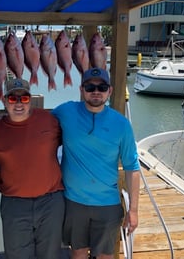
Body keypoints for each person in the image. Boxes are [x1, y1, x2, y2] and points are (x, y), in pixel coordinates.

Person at [52, 67, 140, 259]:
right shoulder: (65, 111)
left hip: (107, 203)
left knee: (106, 255)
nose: (96, 91)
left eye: (102, 87)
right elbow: (37, 122)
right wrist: (2, 118)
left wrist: (133, 210)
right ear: (81, 90)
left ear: (110, 90)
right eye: (90, 87)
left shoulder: (121, 124)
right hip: (73, 202)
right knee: (78, 252)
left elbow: (132, 168)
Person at [0, 78, 64, 259]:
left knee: (51, 255)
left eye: (24, 99)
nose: (19, 103)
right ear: (4, 102)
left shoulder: (49, 120)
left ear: (31, 101)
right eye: (13, 99)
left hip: (51, 201)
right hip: (14, 204)